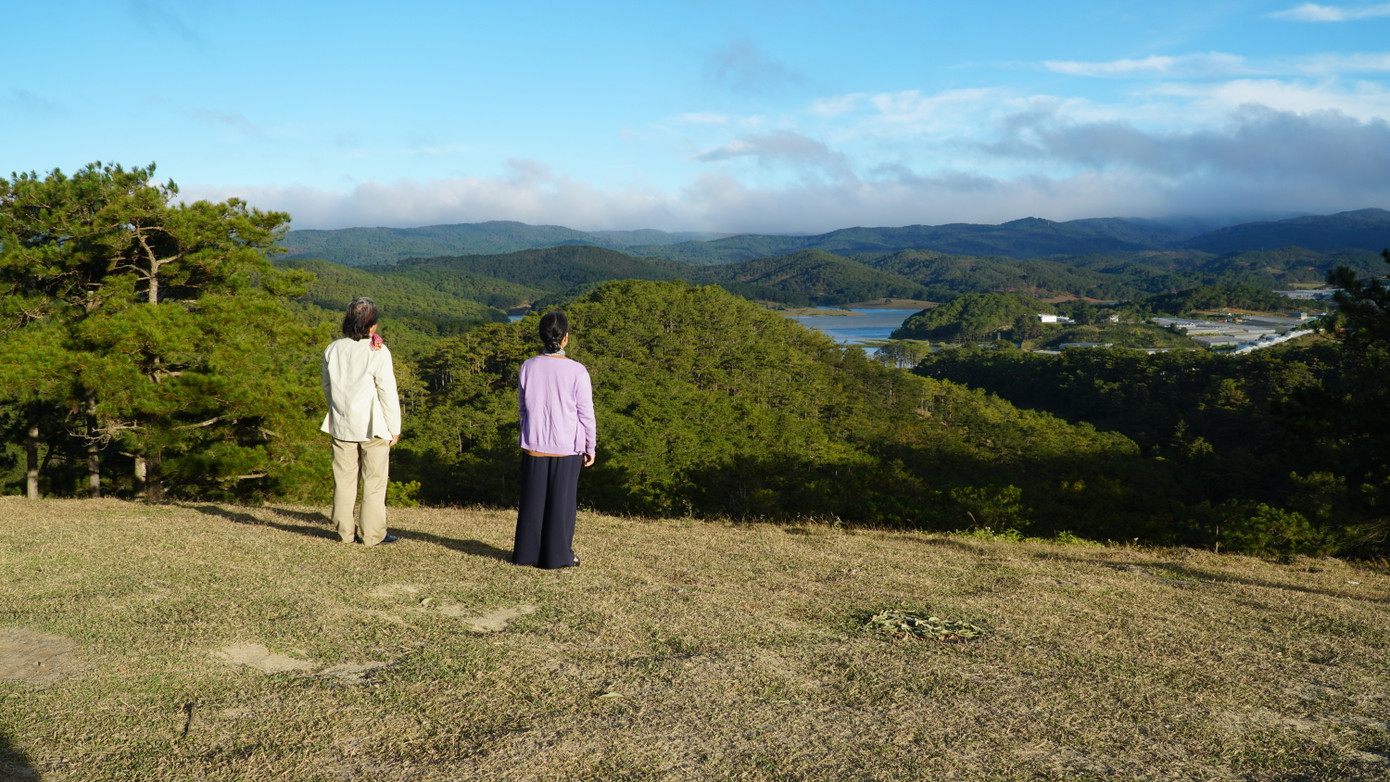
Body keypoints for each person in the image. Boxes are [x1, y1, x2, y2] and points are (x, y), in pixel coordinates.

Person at [513, 310, 596, 569]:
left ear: (541, 337)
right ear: (566, 338)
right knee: (562, 505)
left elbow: (523, 408)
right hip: (567, 447)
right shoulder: (577, 371)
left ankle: (526, 555)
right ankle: (558, 556)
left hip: (534, 444)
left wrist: (529, 432)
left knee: (532, 503)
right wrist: (590, 446)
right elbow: (586, 414)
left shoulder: (528, 366)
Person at [321, 297, 402, 546]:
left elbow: (327, 387)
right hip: (373, 425)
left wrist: (336, 410)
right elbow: (387, 391)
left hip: (342, 423)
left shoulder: (333, 348)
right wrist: (394, 427)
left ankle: (345, 533)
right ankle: (372, 534)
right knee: (374, 482)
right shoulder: (378, 351)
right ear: (372, 325)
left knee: (344, 481)